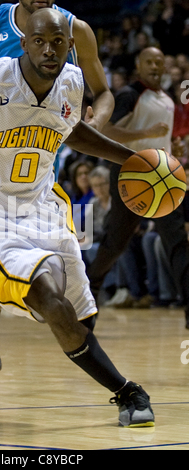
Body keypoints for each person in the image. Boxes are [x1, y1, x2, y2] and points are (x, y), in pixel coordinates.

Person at [0, 9, 155, 428]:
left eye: (58, 43)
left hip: (44, 205)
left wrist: (133, 160)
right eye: (40, 42)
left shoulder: (71, 81)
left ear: (70, 46)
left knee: (80, 314)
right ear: (24, 43)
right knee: (47, 298)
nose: (49, 50)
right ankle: (127, 392)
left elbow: (70, 129)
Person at [0, 0, 116, 376]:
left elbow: (103, 93)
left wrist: (97, 121)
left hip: (36, 159)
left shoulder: (75, 29)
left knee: (15, 259)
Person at [88, 47, 189, 328]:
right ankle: (87, 297)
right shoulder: (130, 94)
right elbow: (105, 131)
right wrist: (145, 134)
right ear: (139, 66)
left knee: (177, 240)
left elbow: (163, 136)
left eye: (160, 61)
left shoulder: (167, 98)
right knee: (115, 242)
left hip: (164, 174)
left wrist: (173, 145)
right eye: (149, 62)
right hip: (131, 173)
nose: (155, 66)